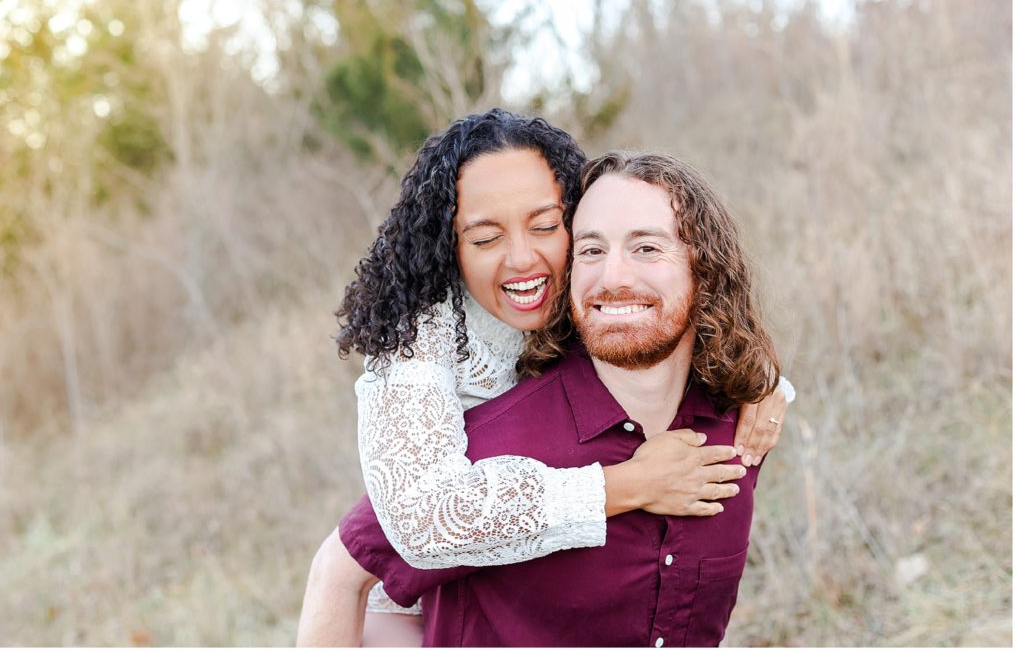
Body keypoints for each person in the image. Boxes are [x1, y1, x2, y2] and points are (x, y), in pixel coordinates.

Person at [296, 111, 793, 645]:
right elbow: (411, 530)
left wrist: (767, 385)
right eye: (486, 238)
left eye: (544, 226)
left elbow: (666, 315)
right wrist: (628, 484)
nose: (522, 258)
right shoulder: (425, 338)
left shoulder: (587, 298)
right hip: (394, 607)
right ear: (450, 250)